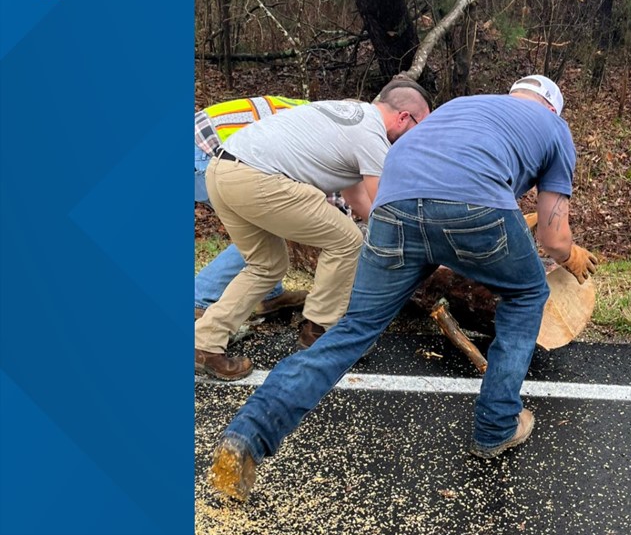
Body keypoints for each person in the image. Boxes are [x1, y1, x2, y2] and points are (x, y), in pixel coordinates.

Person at [206, 74, 598, 502]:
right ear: (552, 109)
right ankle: (496, 426)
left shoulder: (460, 106)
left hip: (393, 209)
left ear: (513, 96)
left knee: (352, 330)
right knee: (525, 295)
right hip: (475, 204)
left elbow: (415, 189)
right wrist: (569, 255)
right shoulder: (554, 128)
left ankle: (247, 435)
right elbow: (554, 238)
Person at [195, 79, 432, 381]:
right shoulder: (372, 135)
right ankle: (318, 330)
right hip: (257, 178)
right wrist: (419, 242)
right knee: (348, 240)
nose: (416, 138)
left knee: (266, 265)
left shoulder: (349, 116)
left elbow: (359, 199)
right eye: (418, 128)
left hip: (221, 171)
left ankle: (204, 342)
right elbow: (386, 206)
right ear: (403, 117)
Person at [194, 96, 311, 323]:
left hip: (204, 148)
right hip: (204, 153)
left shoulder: (309, 112)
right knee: (262, 230)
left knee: (263, 225)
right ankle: (200, 297)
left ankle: (269, 295)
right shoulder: (316, 128)